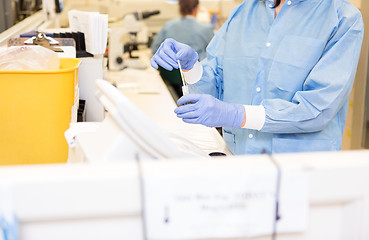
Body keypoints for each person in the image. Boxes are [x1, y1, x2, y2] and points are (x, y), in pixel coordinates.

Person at [151, 0, 364, 155]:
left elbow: (317, 109)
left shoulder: (342, 18)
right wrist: (190, 67)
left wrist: (237, 115)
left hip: (303, 171)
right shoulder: (242, 13)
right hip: (238, 160)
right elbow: (214, 86)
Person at [151, 0, 214, 97]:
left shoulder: (168, 25)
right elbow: (213, 55)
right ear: (196, 8)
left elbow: (155, 49)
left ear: (179, 8)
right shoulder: (205, 29)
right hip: (196, 78)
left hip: (170, 76)